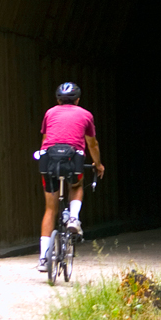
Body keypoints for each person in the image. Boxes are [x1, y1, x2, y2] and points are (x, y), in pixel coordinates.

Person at [37, 81, 104, 271]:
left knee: (50, 210)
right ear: (78, 100)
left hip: (48, 160)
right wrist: (97, 164)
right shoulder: (85, 115)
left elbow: (45, 140)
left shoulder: (50, 113)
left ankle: (43, 259)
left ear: (58, 99)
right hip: (72, 159)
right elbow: (92, 144)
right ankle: (73, 218)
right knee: (76, 186)